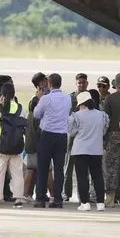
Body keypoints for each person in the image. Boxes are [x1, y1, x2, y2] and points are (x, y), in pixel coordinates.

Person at [32, 72, 71, 208]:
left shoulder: (46, 99)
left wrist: (39, 99)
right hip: (61, 135)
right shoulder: (67, 98)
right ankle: (58, 198)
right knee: (59, 169)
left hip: (47, 134)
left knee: (43, 167)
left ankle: (41, 198)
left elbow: (36, 114)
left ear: (49, 84)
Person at [0, 82, 26, 208]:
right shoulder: (20, 108)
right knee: (17, 173)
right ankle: (18, 199)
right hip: (16, 144)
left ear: (1, 95)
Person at [69, 90, 109, 212]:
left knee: (82, 177)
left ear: (81, 103)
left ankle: (85, 203)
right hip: (96, 149)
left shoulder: (76, 116)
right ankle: (101, 203)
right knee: (97, 176)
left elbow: (71, 132)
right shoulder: (101, 115)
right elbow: (104, 130)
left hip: (80, 150)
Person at [101, 73, 120, 206]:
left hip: (113, 135)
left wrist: (104, 139)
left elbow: (105, 121)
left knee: (111, 167)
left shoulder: (110, 99)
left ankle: (110, 197)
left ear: (115, 85)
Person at [24, 73, 53, 200]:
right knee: (40, 170)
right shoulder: (38, 100)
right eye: (45, 80)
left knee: (34, 169)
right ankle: (51, 194)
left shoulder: (37, 98)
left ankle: (29, 194)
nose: (47, 82)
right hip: (37, 140)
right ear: (40, 84)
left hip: (34, 140)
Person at [64, 72, 89, 201]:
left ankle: (83, 194)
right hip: (72, 134)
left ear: (87, 83)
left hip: (85, 133)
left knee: (85, 165)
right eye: (79, 83)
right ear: (76, 83)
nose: (81, 85)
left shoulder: (89, 97)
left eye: (83, 82)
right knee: (68, 163)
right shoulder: (70, 98)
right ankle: (66, 192)